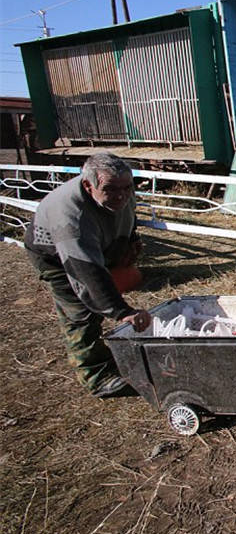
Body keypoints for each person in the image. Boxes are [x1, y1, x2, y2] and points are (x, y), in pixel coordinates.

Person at [25, 152, 151, 398]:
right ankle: (97, 376)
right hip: (57, 257)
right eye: (111, 189)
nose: (121, 195)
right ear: (87, 185)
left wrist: (131, 238)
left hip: (102, 243)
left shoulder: (121, 188)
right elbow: (86, 270)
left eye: (127, 188)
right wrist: (121, 311)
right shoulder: (69, 216)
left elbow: (130, 213)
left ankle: (112, 356)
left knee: (107, 292)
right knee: (81, 315)